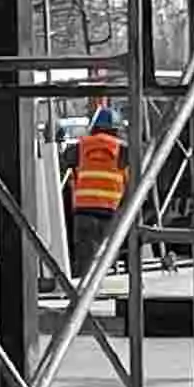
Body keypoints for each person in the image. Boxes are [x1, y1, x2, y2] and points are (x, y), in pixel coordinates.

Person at [63, 104, 129, 281]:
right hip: (111, 212)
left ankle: (82, 294)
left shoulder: (81, 146)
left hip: (83, 211)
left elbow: (64, 161)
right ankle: (103, 287)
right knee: (107, 256)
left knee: (85, 257)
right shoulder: (123, 150)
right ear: (116, 129)